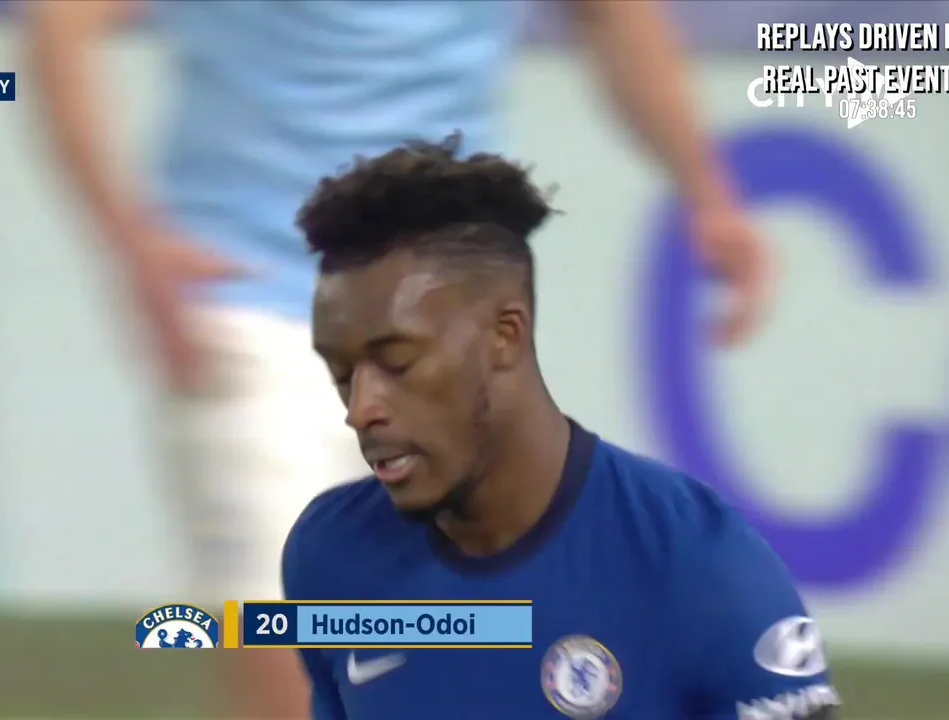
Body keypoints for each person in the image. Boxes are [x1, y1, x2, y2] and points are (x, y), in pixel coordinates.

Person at [24, 1, 773, 716]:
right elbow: (60, 22)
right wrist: (130, 240)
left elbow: (611, 13)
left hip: (449, 329)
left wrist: (708, 194)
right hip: (248, 302)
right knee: (291, 655)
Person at [286, 137, 838, 719]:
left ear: (506, 335)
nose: (361, 408)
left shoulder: (698, 564)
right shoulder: (329, 555)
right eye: (342, 373)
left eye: (398, 362)